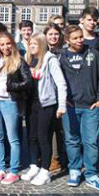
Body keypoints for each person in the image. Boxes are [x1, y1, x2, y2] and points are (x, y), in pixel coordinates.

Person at [59, 25, 99, 192]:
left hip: (90, 106)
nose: (79, 40)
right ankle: (74, 170)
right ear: (67, 40)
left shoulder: (93, 54)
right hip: (70, 107)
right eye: (75, 38)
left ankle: (91, 174)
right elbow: (55, 81)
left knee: (90, 142)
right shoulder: (61, 56)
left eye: (80, 36)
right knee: (72, 140)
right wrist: (63, 100)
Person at [0, 32, 32, 184]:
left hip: (9, 102)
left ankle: (13, 170)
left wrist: (10, 86)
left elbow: (28, 82)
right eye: (2, 44)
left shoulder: (19, 61)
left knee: (13, 138)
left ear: (12, 44)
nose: (5, 47)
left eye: (8, 43)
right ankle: (1, 168)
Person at [21, 33, 67, 185]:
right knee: (32, 136)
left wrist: (61, 106)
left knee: (43, 137)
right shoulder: (29, 59)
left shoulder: (50, 60)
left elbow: (61, 83)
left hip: (46, 104)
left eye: (35, 44)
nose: (32, 46)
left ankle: (45, 170)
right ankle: (34, 165)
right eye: (30, 44)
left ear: (41, 44)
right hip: (31, 104)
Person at [43, 23, 66, 173]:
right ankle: (50, 157)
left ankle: (57, 158)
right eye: (50, 34)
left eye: (56, 34)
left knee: (60, 130)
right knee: (48, 129)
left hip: (60, 95)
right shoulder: (42, 51)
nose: (53, 37)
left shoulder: (64, 52)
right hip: (47, 96)